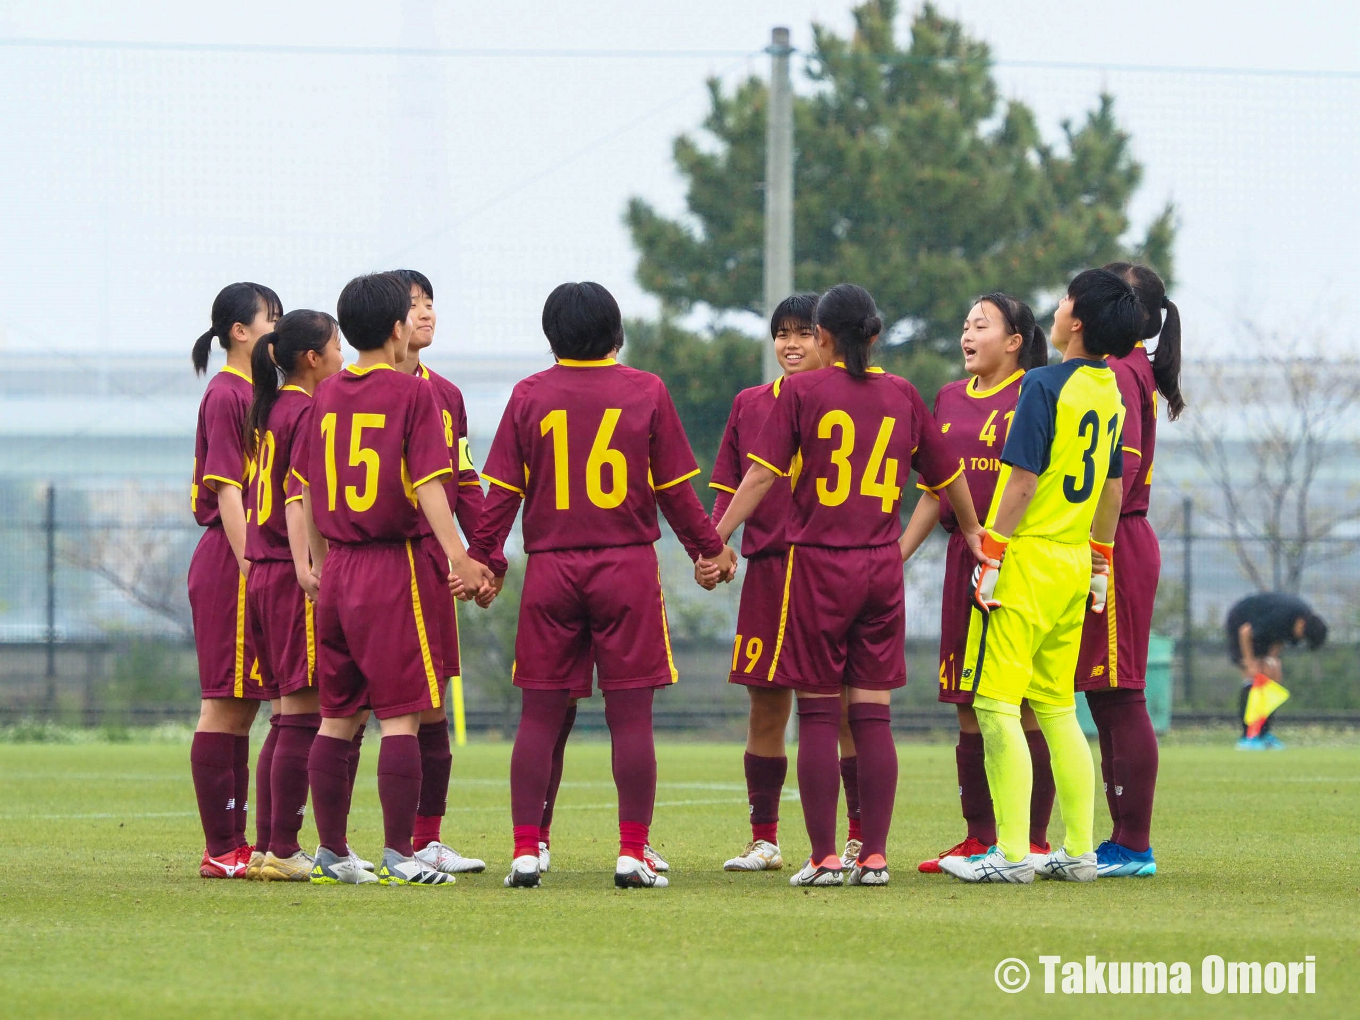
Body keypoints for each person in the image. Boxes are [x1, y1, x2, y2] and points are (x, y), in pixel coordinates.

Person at [465, 281, 735, 890]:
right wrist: (710, 550)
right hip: (625, 568)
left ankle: (526, 852)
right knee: (630, 715)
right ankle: (631, 853)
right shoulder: (645, 389)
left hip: (552, 569)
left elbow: (501, 495)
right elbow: (675, 492)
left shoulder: (529, 394)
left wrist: (487, 562)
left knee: (537, 715)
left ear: (550, 334)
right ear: (616, 333)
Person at [716, 283, 984, 888]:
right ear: (876, 335)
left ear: (826, 338)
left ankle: (823, 856)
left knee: (814, 714)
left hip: (819, 566)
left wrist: (715, 537)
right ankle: (875, 855)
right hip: (881, 567)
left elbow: (760, 477)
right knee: (871, 716)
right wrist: (972, 530)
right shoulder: (903, 394)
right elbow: (948, 474)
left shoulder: (804, 392)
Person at [939, 268, 1141, 885]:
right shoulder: (1111, 388)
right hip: (1076, 560)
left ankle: (1011, 853)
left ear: (1076, 322)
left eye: (1062, 304)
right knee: (1056, 707)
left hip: (1028, 558)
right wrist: (1102, 558)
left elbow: (1022, 480)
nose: (1054, 311)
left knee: (996, 705)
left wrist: (993, 553)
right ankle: (1078, 850)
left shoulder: (1045, 387)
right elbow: (1111, 485)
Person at [294, 272, 495, 886]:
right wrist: (461, 557)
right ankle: (401, 853)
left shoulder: (324, 395)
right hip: (394, 566)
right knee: (404, 715)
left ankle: (331, 851)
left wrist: (319, 562)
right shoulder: (414, 397)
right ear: (396, 328)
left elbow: (307, 487)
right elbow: (431, 487)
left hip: (340, 569)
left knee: (338, 715)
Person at [897, 293, 1055, 873]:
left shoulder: (1036, 395)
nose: (967, 333)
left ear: (1014, 341)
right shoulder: (947, 398)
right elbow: (937, 490)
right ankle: (978, 838)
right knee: (966, 704)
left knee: (1024, 704)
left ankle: (1033, 839)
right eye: (964, 324)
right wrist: (899, 556)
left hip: (1018, 564)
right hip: (963, 567)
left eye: (980, 325)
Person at [710, 293, 861, 873]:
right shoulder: (750, 403)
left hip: (829, 572)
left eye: (804, 332)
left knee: (844, 709)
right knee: (766, 705)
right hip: (770, 573)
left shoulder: (853, 400)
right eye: (782, 333)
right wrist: (715, 545)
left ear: (826, 339)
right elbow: (729, 486)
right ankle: (764, 839)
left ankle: (855, 839)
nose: (792, 344)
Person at [1073, 262, 1185, 878]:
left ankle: (1133, 844)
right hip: (1111, 540)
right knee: (1106, 693)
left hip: (1113, 541)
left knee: (1121, 695)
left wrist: (1092, 547)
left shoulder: (1118, 373)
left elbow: (1122, 474)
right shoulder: (1127, 370)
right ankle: (1120, 838)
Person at [389, 268, 488, 876]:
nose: (426, 313)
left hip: (432, 561)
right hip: (368, 559)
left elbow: (465, 478)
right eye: (413, 304)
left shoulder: (446, 394)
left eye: (431, 302)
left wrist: (483, 553)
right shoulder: (344, 393)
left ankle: (426, 838)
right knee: (335, 706)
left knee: (430, 704)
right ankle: (328, 845)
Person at [241, 309, 343, 881]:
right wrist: (313, 566)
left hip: (262, 573)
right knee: (303, 713)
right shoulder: (306, 409)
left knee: (283, 717)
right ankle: (284, 849)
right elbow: (298, 493)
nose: (343, 358)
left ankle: (265, 847)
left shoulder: (271, 407)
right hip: (288, 571)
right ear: (312, 358)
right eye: (336, 347)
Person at [188, 281, 281, 879]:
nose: (280, 327)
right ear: (240, 332)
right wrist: (252, 565)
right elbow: (226, 489)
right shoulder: (227, 395)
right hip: (233, 560)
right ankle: (220, 847)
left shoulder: (258, 392)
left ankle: (235, 842)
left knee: (246, 706)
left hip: (252, 558)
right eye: (271, 318)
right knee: (225, 703)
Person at [1226, 592, 1327, 749]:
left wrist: (1270, 660)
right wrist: (1250, 661)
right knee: (1252, 678)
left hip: (1262, 636)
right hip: (1241, 622)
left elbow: (1279, 640)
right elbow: (1245, 631)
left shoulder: (1303, 620)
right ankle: (1248, 737)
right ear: (1302, 625)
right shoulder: (1281, 615)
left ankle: (1263, 732)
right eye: (1303, 637)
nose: (1301, 640)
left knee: (1272, 677)